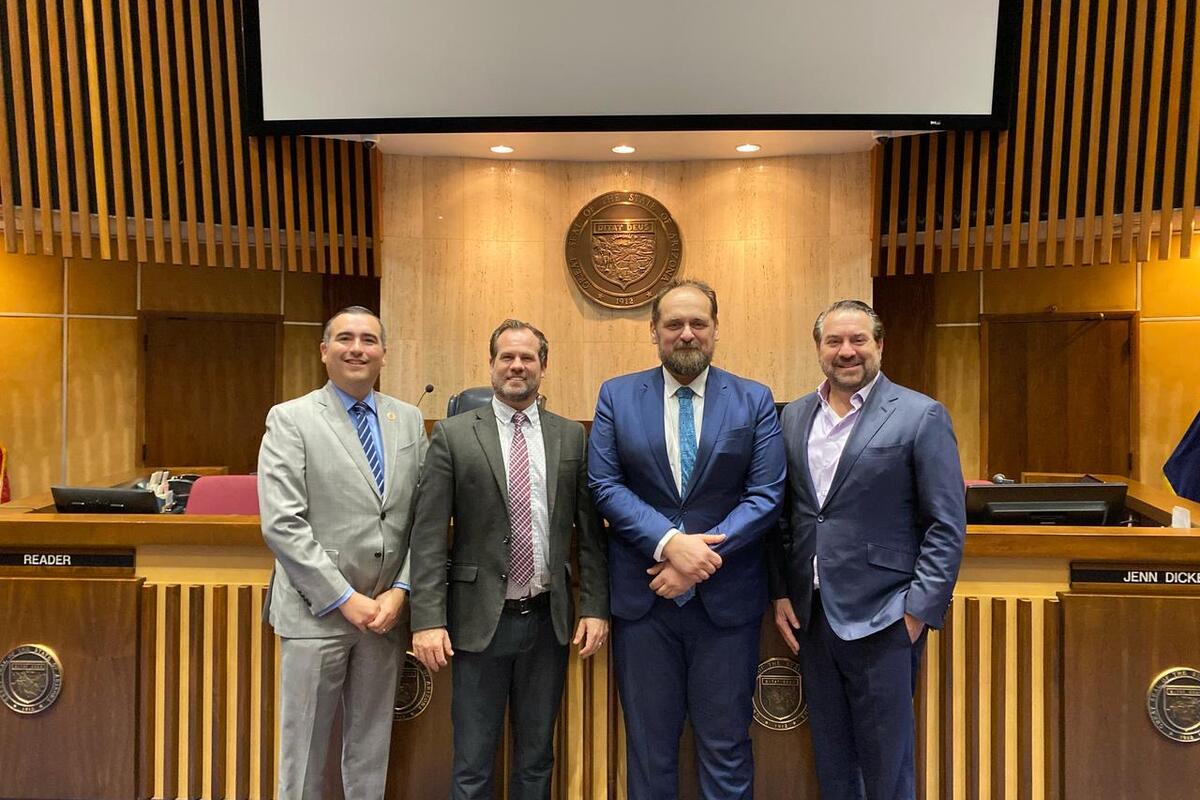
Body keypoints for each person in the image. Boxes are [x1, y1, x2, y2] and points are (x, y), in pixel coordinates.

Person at [587, 279, 786, 800]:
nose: (687, 333)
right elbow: (604, 485)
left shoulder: (753, 399)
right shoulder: (616, 395)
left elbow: (766, 495)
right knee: (649, 752)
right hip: (645, 603)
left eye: (699, 323)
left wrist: (698, 558)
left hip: (727, 605)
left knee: (726, 748)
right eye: (674, 324)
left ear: (716, 330)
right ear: (653, 331)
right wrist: (670, 543)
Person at [769, 299, 965, 800]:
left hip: (885, 617)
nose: (846, 351)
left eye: (858, 339)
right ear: (819, 349)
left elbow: (945, 524)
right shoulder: (793, 416)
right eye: (834, 341)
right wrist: (783, 590)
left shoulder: (920, 415)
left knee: (886, 769)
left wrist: (916, 612)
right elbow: (788, 516)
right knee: (832, 763)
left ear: (879, 344)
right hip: (814, 618)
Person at [409, 319, 609, 800]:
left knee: (537, 760)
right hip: (479, 622)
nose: (517, 366)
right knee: (473, 763)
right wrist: (427, 619)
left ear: (543, 365)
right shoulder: (453, 435)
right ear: (491, 364)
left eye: (527, 357)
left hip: (546, 622)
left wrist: (594, 607)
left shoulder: (570, 437)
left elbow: (589, 535)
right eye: (507, 357)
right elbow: (429, 535)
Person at [258, 305, 427, 800]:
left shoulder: (408, 419)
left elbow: (424, 517)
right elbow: (282, 523)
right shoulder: (291, 419)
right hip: (317, 613)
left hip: (384, 617)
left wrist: (402, 588)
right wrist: (344, 598)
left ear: (384, 354)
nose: (358, 349)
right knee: (304, 756)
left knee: (370, 752)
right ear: (324, 351)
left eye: (369, 340)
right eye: (345, 338)